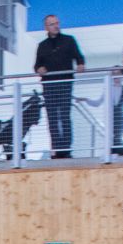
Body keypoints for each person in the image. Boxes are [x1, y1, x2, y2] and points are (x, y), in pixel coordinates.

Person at [34, 14, 85, 159]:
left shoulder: (69, 40)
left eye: (57, 23)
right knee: (52, 118)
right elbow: (37, 65)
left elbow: (79, 57)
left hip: (64, 83)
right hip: (49, 85)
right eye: (52, 24)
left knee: (64, 116)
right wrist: (39, 69)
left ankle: (65, 149)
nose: (56, 26)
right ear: (46, 27)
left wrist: (80, 64)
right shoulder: (42, 45)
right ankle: (57, 149)